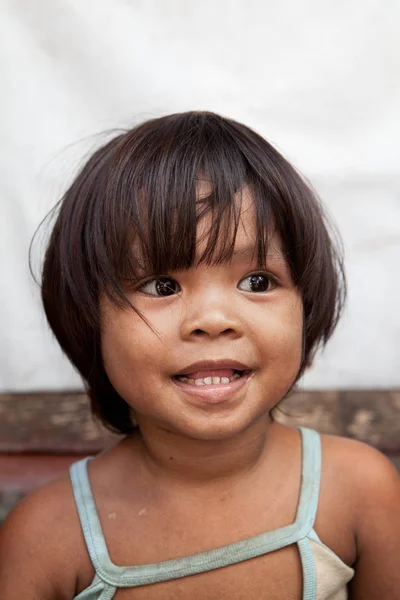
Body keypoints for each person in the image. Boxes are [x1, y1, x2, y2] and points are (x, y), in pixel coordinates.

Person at [0, 111, 399, 599]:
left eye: (257, 282)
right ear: (89, 318)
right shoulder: (46, 540)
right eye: (161, 285)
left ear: (306, 307)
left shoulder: (358, 491)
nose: (213, 318)